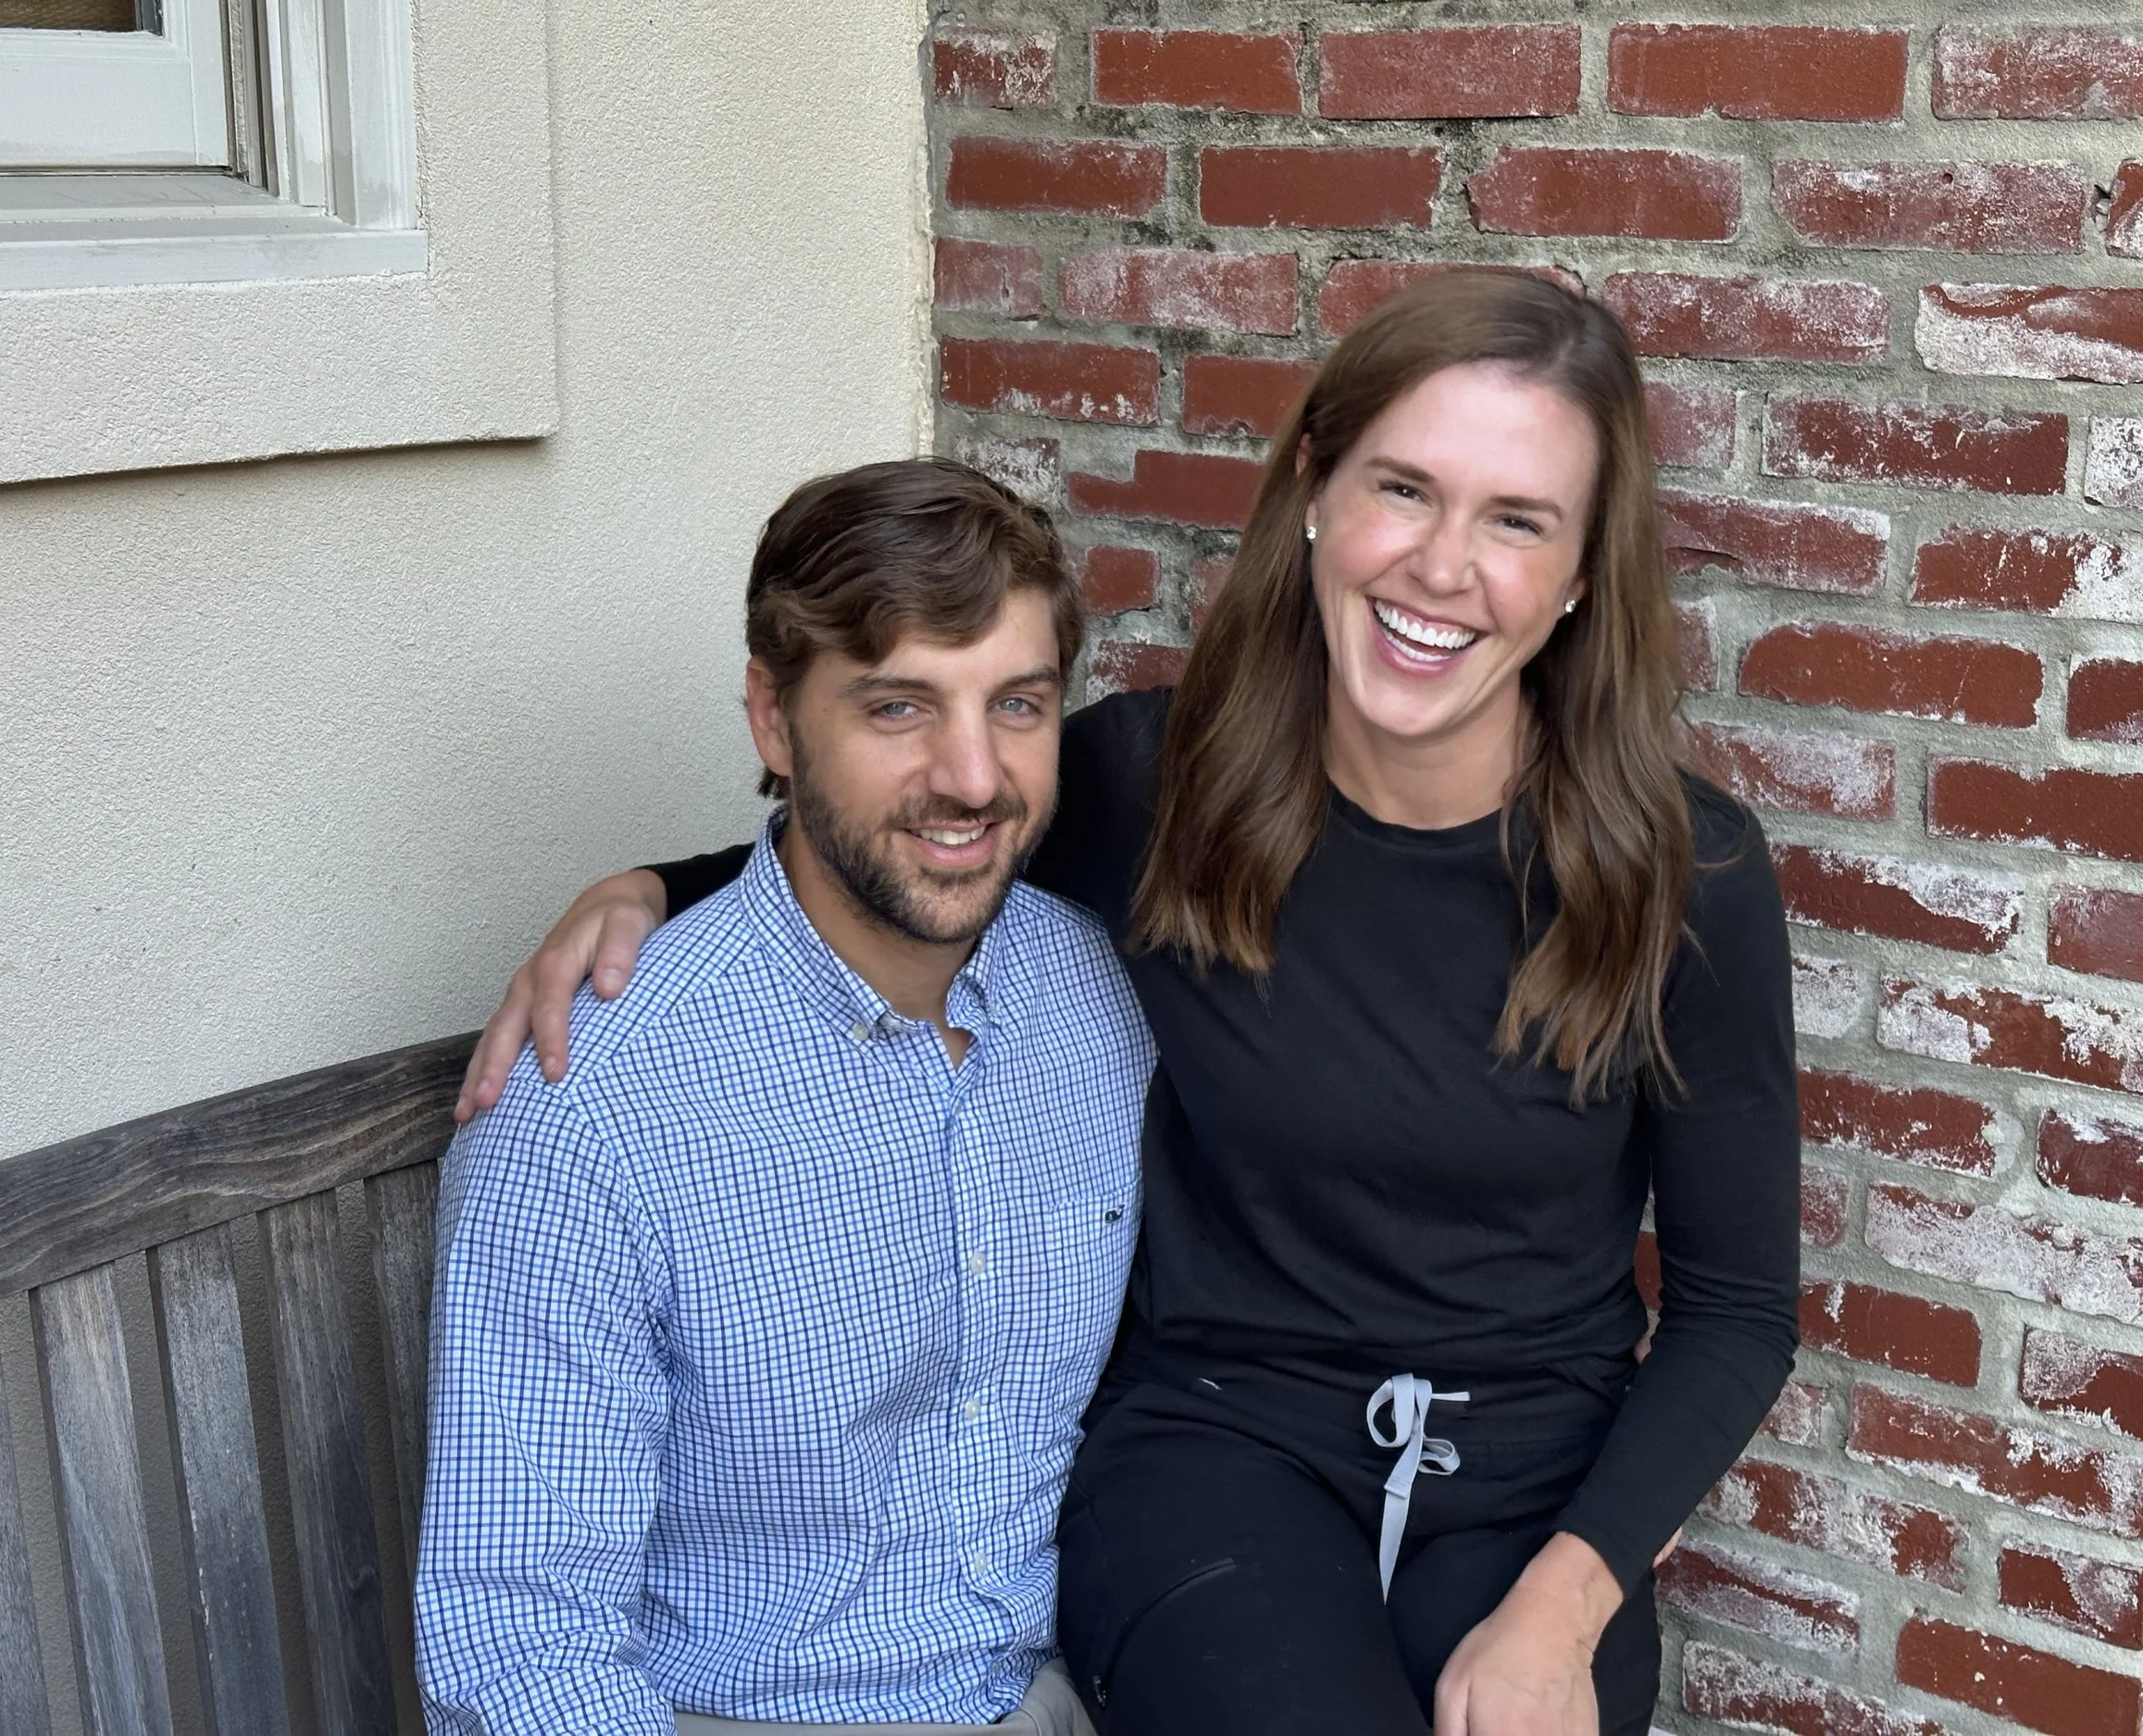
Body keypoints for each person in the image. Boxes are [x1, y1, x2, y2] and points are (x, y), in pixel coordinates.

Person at [458, 272, 1800, 1736]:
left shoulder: (1686, 875)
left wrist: (1567, 1602)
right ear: (1312, 491)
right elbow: (908, 839)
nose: (1441, 566)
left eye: (1517, 520)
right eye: (1403, 488)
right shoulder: (1161, 785)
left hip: (1535, 1488)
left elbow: (1734, 1307)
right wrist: (652, 885)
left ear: (1584, 572)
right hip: (1218, 1454)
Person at [416, 459, 1154, 1734]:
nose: (973, 777)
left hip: (1063, 1689)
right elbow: (517, 1644)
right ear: (774, 719)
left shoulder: (1095, 1001)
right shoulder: (591, 1109)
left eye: (1017, 704)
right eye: (899, 708)